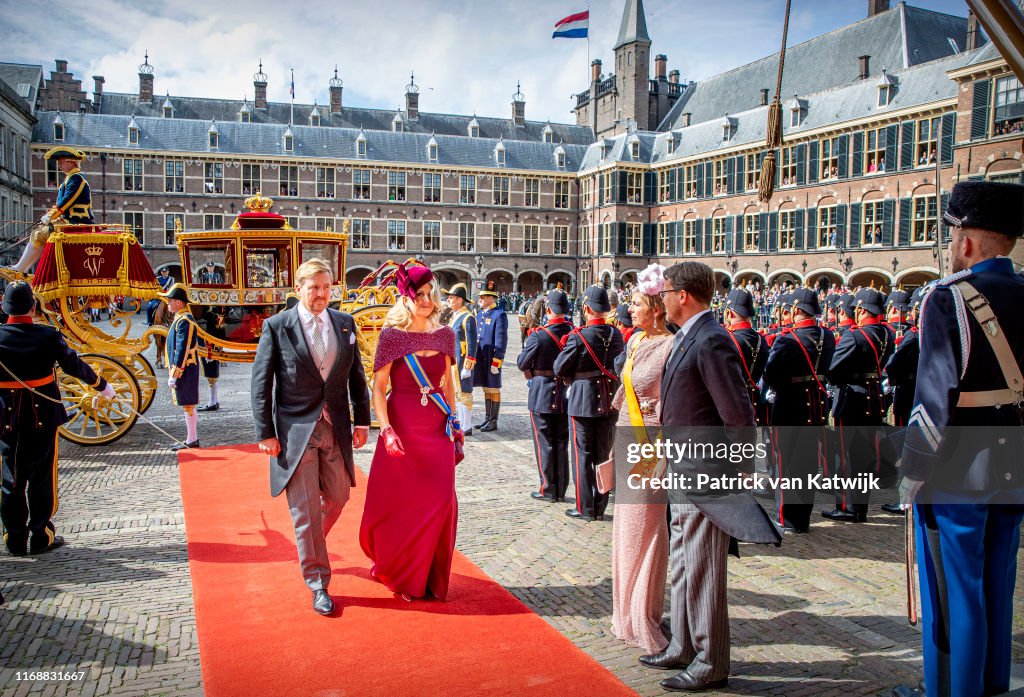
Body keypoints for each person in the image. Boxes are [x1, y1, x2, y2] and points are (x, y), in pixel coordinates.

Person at [892, 181, 1024, 697]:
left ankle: (952, 690)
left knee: (955, 587)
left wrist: (913, 472)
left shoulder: (947, 298)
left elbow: (933, 402)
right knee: (998, 576)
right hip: (1013, 452)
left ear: (965, 240)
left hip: (958, 461)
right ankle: (991, 683)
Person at [639, 262, 780, 691]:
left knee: (702, 567)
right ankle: (683, 643)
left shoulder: (712, 338)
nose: (660, 299)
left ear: (683, 295)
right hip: (683, 464)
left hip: (706, 470)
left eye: (665, 293)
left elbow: (738, 416)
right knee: (683, 561)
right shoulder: (690, 336)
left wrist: (730, 476)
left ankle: (710, 659)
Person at [251, 258, 371, 616]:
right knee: (304, 510)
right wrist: (266, 433)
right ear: (299, 288)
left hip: (334, 427)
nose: (321, 294)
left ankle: (310, 540)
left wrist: (362, 421)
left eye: (326, 287)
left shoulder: (345, 323)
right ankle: (319, 582)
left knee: (337, 497)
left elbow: (356, 377)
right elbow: (261, 384)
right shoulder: (277, 326)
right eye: (314, 287)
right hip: (294, 431)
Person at [359, 263, 463, 601]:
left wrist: (456, 426)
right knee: (404, 507)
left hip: (436, 431)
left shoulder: (445, 335)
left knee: (440, 502)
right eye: (419, 294)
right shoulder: (392, 337)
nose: (427, 301)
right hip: (402, 430)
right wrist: (385, 430)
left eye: (430, 295)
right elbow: (378, 389)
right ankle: (405, 576)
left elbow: (447, 386)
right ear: (406, 297)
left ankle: (431, 577)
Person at [0, 282, 114, 555]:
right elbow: (73, 365)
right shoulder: (48, 336)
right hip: (42, 415)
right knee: (41, 478)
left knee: (9, 480)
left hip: (6, 417)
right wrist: (101, 385)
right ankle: (41, 534)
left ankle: (14, 538)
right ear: (32, 307)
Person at [609, 265, 673, 654]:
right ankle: (625, 611)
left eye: (635, 303)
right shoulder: (634, 342)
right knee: (626, 530)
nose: (629, 309)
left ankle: (642, 613)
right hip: (627, 435)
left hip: (651, 441)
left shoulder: (669, 346)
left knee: (646, 530)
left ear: (655, 307)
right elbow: (624, 392)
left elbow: (669, 404)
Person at [762, 287, 836, 532]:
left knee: (787, 463)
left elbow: (771, 373)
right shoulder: (828, 336)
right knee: (807, 463)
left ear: (795, 310)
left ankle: (788, 518)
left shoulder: (787, 339)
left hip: (790, 405)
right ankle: (802, 516)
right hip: (815, 405)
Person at [822, 287, 895, 522]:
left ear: (862, 310)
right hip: (874, 397)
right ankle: (861, 506)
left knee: (847, 456)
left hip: (852, 399)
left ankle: (848, 506)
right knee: (864, 457)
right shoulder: (887, 335)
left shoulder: (854, 336)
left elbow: (833, 370)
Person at [553, 285, 624, 521]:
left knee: (582, 455)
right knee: (603, 455)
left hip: (583, 401)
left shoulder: (579, 337)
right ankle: (600, 506)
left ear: (585, 308)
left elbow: (559, 367)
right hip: (609, 401)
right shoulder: (616, 336)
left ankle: (585, 507)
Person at [517, 288, 573, 503]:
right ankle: (561, 488)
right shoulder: (575, 332)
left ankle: (547, 489)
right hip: (566, 393)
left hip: (542, 393)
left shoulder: (539, 335)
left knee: (544, 443)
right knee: (561, 442)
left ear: (548, 309)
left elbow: (522, 362)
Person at [10, 147, 94, 274]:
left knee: (40, 234)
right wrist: (48, 217)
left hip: (76, 221)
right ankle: (23, 269)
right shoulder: (70, 179)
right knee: (38, 233)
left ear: (71, 162)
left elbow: (66, 202)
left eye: (61, 162)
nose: (59, 165)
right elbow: (60, 205)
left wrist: (50, 217)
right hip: (69, 220)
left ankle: (21, 268)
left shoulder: (77, 179)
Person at [880, 286, 925, 516]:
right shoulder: (920, 334)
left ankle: (904, 498)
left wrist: (893, 378)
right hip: (919, 392)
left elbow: (894, 364)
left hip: (907, 393)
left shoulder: (913, 336)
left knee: (906, 446)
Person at [160, 284, 202, 451]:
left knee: (188, 404)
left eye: (170, 300)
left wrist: (175, 373)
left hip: (186, 368)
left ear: (178, 302)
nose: (168, 303)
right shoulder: (180, 319)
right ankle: (191, 437)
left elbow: (182, 349)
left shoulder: (184, 321)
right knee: (187, 404)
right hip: (185, 368)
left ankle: (192, 439)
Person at [723, 287, 769, 426]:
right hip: (755, 402)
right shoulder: (762, 339)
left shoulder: (726, 339)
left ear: (729, 313)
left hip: (732, 405)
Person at [444, 283, 478, 436]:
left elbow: (472, 343)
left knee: (465, 393)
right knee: (457, 393)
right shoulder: (455, 316)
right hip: (454, 360)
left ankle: (467, 425)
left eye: (451, 298)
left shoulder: (468, 317)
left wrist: (468, 365)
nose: (448, 300)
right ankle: (461, 422)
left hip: (463, 361)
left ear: (459, 300)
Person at [472, 288, 507, 432]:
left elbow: (501, 340)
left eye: (484, 297)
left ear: (492, 299)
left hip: (492, 357)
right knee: (486, 387)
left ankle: (494, 420)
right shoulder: (480, 314)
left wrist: (497, 360)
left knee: (494, 387)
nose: (480, 300)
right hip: (482, 357)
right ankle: (487, 418)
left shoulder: (499, 315)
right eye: (480, 298)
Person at [198, 306, 227, 412]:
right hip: (212, 337)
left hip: (210, 340)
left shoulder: (211, 313)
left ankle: (212, 401)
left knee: (210, 370)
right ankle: (213, 400)